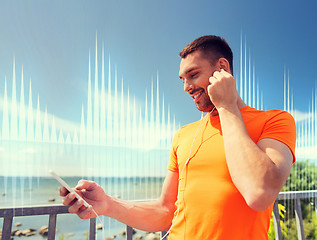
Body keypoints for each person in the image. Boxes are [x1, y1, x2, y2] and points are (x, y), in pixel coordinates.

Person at [60, 35, 296, 239]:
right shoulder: (184, 136)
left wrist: (226, 107)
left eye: (193, 74)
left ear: (222, 69)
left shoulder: (275, 120)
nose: (186, 87)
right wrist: (108, 204)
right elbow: (165, 212)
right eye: (183, 79)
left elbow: (259, 194)